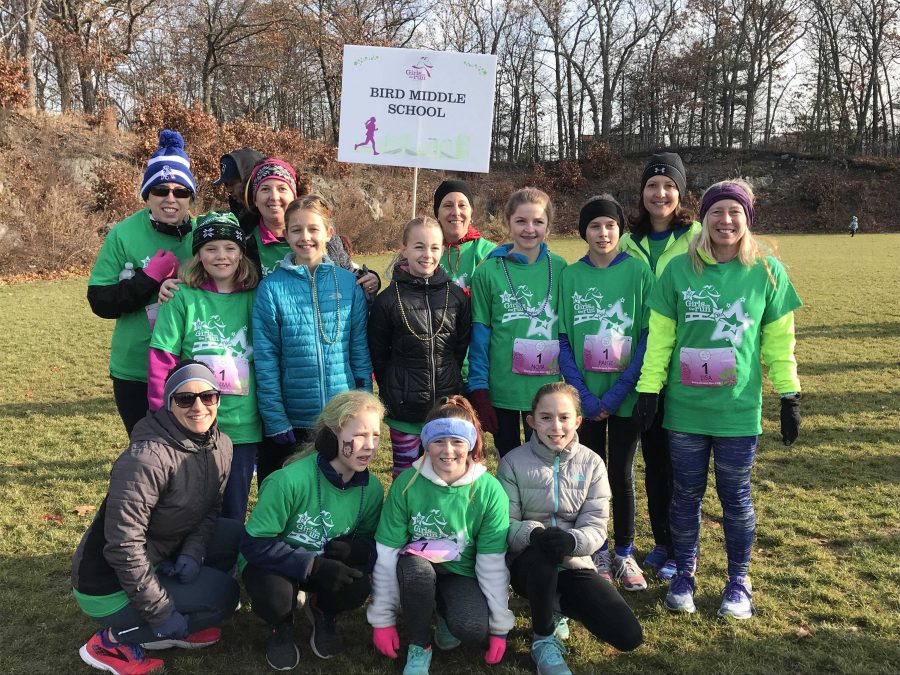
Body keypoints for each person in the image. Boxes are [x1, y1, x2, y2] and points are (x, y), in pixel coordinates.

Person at [633, 179, 802, 619]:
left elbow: (778, 341)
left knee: (735, 497)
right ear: (704, 218)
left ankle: (738, 581)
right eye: (717, 212)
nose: (726, 221)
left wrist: (789, 394)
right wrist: (649, 389)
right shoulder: (678, 270)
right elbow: (661, 339)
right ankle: (685, 573)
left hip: (737, 412)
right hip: (686, 411)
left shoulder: (767, 270)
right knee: (685, 495)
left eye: (735, 213)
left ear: (747, 219)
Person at [71, 360, 241, 675]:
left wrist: (193, 553)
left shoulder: (222, 445)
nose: (199, 406)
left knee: (233, 536)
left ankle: (174, 616)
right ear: (168, 402)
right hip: (104, 581)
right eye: (185, 398)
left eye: (209, 396)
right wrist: (160, 612)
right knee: (224, 597)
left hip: (160, 552)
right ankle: (112, 641)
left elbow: (210, 511)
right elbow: (123, 546)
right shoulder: (145, 459)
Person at [498, 383, 643, 675]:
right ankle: (543, 639)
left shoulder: (592, 463)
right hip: (528, 564)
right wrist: (534, 534)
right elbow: (506, 525)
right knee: (543, 552)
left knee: (629, 636)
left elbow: (596, 526)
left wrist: (572, 541)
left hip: (574, 561)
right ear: (532, 421)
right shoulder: (512, 462)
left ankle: (557, 604)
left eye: (564, 417)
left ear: (578, 421)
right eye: (546, 417)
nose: (556, 426)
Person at [368, 396, 513, 675]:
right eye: (438, 441)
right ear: (426, 444)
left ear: (470, 444)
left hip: (461, 572)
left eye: (457, 441)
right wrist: (382, 619)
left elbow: (492, 562)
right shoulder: (406, 484)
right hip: (415, 568)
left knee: (472, 628)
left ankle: (445, 613)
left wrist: (498, 627)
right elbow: (386, 553)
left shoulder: (489, 490)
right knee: (419, 574)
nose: (448, 450)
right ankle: (419, 645)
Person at [240, 391, 386, 669]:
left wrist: (357, 550)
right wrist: (312, 566)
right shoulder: (287, 481)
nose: (369, 446)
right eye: (359, 436)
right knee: (277, 596)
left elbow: (372, 543)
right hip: (273, 565)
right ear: (330, 437)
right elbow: (254, 544)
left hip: (323, 565)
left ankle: (322, 610)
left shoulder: (372, 489)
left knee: (357, 586)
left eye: (376, 436)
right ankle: (280, 627)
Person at [558, 196, 655, 591]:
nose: (603, 233)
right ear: (584, 232)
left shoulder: (638, 272)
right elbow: (562, 339)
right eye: (595, 226)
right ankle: (595, 549)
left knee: (621, 473)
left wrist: (617, 393)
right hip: (586, 401)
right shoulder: (571, 276)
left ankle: (625, 551)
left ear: (620, 230)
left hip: (624, 397)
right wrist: (583, 395)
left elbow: (648, 338)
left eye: (610, 226)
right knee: (587, 477)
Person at [619, 151, 701, 580]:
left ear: (681, 192)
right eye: (653, 185)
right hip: (639, 368)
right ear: (642, 192)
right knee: (651, 459)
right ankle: (662, 541)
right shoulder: (624, 240)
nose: (660, 193)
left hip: (684, 367)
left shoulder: (698, 237)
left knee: (677, 464)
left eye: (669, 185)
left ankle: (680, 546)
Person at [252, 194, 373, 485]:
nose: (305, 237)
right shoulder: (271, 289)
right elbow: (266, 360)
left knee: (336, 492)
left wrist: (363, 407)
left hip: (340, 417)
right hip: (292, 418)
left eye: (313, 229)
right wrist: (275, 418)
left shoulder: (347, 285)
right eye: (296, 230)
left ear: (328, 233)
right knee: (286, 496)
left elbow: (359, 352)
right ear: (285, 234)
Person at [148, 212, 261, 522]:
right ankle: (190, 562)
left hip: (242, 423)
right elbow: (162, 357)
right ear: (198, 254)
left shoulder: (257, 297)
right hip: (192, 420)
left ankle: (225, 563)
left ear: (241, 253)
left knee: (233, 506)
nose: (221, 256)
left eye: (230, 248)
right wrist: (163, 413)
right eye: (211, 248)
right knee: (191, 502)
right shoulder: (181, 297)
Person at [87, 129, 197, 436]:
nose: (171, 199)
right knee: (146, 455)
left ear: (191, 197)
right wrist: (147, 278)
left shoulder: (204, 236)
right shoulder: (122, 234)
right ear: (147, 195)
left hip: (192, 365)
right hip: (135, 369)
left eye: (181, 191)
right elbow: (100, 301)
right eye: (161, 190)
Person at [368, 216, 472, 478]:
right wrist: (395, 386)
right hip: (403, 408)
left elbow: (460, 347)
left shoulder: (456, 297)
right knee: (406, 475)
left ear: (443, 249)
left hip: (445, 406)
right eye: (419, 246)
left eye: (434, 247)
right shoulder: (388, 300)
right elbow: (378, 354)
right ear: (404, 249)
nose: (427, 254)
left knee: (444, 472)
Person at [468, 187, 567, 456]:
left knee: (547, 467)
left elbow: (568, 335)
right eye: (521, 221)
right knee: (510, 468)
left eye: (538, 222)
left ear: (548, 225)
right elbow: (480, 336)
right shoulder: (489, 271)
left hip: (547, 392)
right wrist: (479, 389)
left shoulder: (561, 269)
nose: (529, 229)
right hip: (504, 392)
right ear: (508, 222)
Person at [433, 180, 495, 293]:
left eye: (462, 205)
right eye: (448, 205)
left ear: (471, 212)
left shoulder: (490, 253)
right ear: (437, 213)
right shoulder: (425, 251)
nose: (456, 212)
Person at [213, 146, 266, 220]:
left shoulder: (269, 217)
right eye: (227, 184)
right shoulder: (239, 213)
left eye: (233, 183)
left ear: (250, 180)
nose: (229, 190)